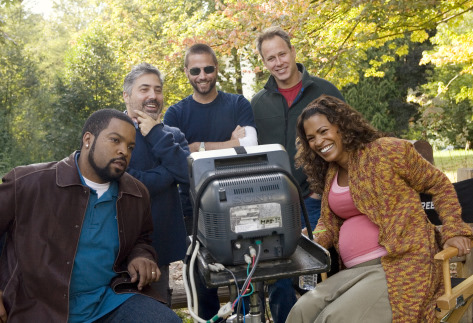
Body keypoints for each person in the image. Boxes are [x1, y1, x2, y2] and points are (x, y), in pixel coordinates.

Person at [286, 95, 473, 323]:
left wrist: (454, 230)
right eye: (311, 138)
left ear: (342, 126)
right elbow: (329, 221)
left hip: (402, 265)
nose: (318, 141)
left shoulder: (387, 151)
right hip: (355, 272)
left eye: (324, 131)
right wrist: (313, 241)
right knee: (301, 311)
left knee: (333, 318)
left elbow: (439, 183)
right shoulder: (332, 172)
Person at [0, 109, 181, 323]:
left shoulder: (136, 193)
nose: (124, 151)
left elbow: (141, 239)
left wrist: (141, 256)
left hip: (109, 302)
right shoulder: (28, 183)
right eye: (115, 140)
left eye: (130, 147)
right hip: (39, 306)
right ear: (88, 139)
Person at [163, 43, 260, 320]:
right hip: (193, 210)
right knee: (202, 281)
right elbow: (180, 160)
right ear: (186, 72)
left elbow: (249, 145)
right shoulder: (176, 114)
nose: (202, 75)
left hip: (238, 202)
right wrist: (230, 143)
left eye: (207, 68)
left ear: (216, 68)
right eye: (195, 70)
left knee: (243, 278)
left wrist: (198, 146)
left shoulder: (238, 103)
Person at [252, 26, 345, 232]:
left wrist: (320, 190)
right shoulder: (257, 104)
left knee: (324, 259)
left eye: (282, 54)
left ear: (293, 52)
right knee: (281, 261)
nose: (278, 63)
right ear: (264, 62)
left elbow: (348, 139)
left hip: (317, 200)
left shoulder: (325, 91)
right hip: (273, 203)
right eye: (271, 58)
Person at [123, 63, 190, 306]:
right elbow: (126, 181)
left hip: (160, 251)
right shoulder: (114, 133)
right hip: (119, 250)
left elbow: (189, 174)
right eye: (144, 89)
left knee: (159, 308)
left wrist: (155, 134)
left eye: (158, 89)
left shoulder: (171, 135)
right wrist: (168, 174)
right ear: (127, 96)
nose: (153, 96)